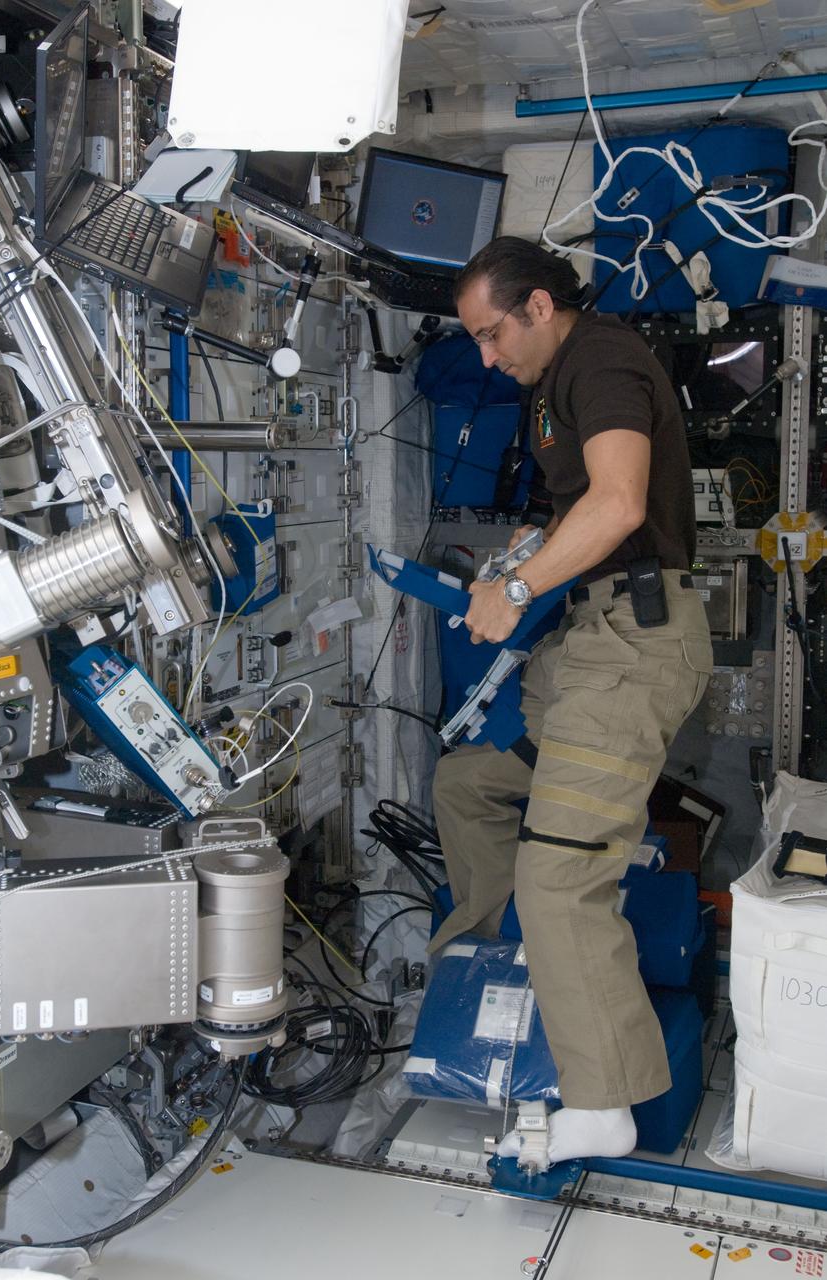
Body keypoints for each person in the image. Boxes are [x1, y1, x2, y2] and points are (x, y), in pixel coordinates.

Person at [429, 237, 713, 1168]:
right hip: (586, 644)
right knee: (468, 785)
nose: (485, 355)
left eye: (490, 333)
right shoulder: (556, 384)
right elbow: (585, 504)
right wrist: (532, 539)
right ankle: (483, 972)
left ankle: (607, 1101)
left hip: (629, 655)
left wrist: (511, 591)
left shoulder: (604, 360)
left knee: (559, 878)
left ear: (541, 307)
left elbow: (622, 503)